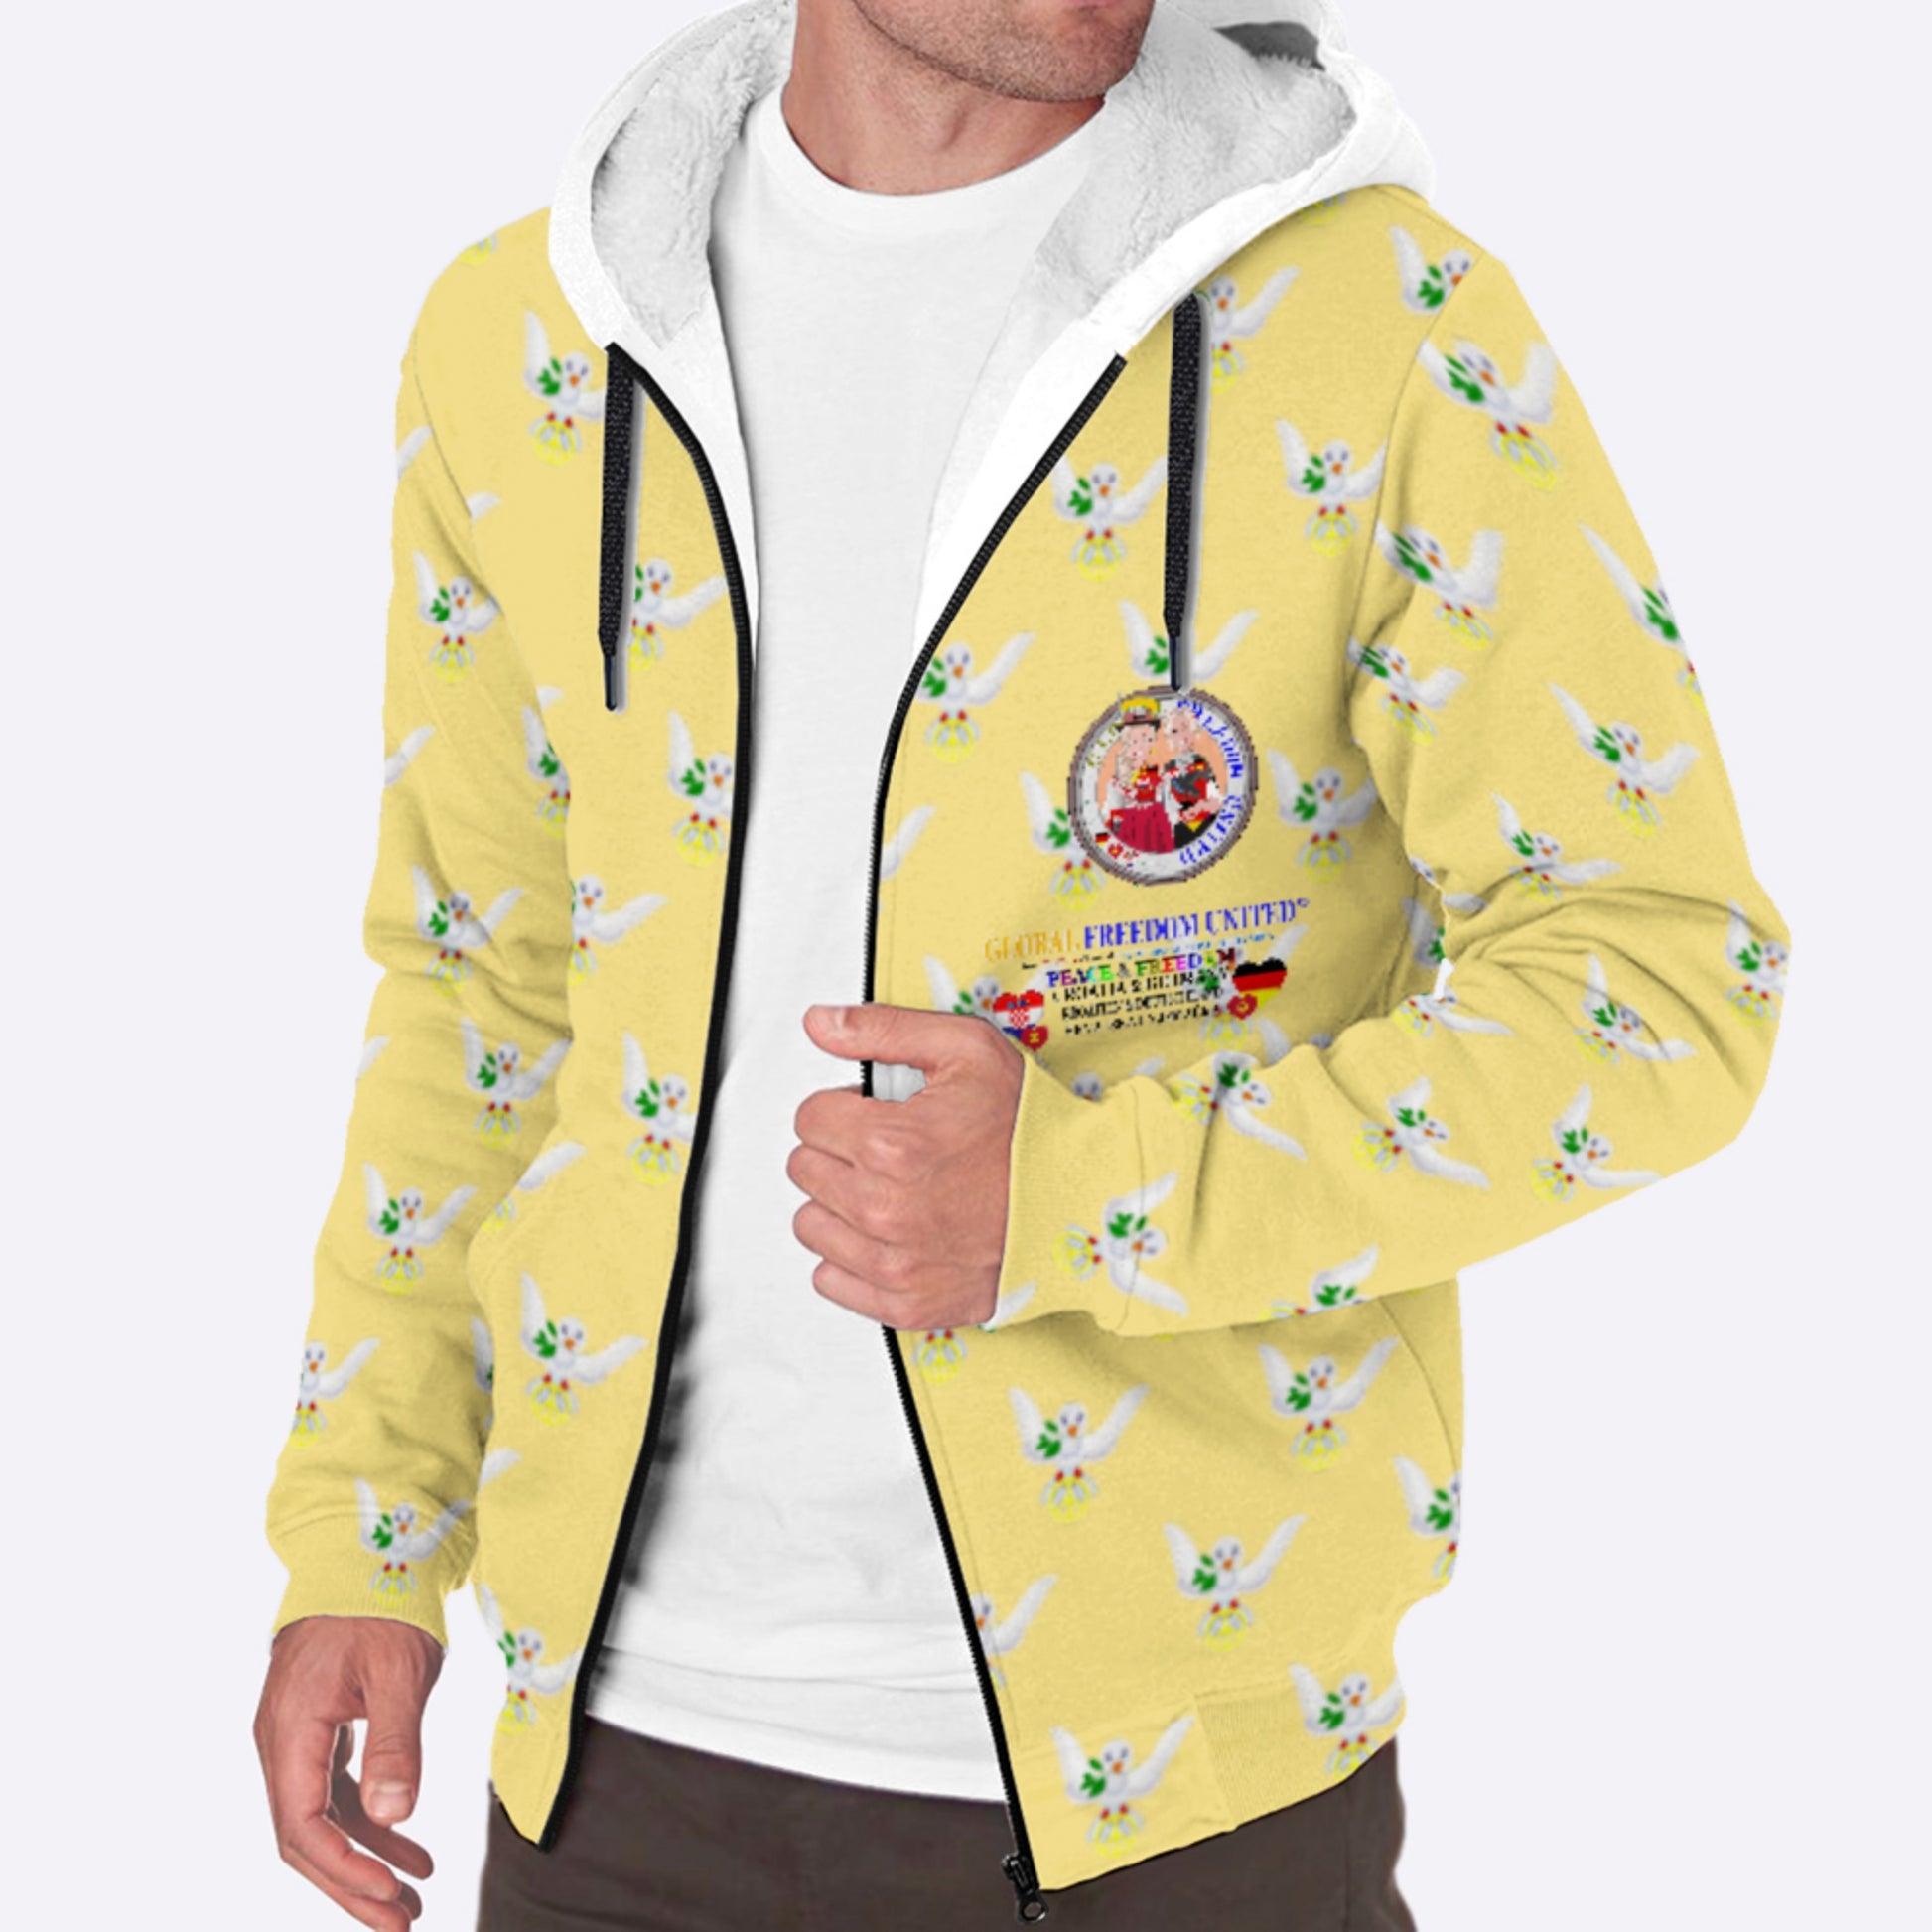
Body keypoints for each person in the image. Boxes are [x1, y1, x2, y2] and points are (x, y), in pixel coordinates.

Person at [253, 2, 1793, 1927]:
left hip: (1176, 1799)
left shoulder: (1386, 320)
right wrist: (368, 1527)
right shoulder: (525, 337)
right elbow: (481, 988)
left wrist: (1087, 1196)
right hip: (611, 1769)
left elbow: (1659, 983)